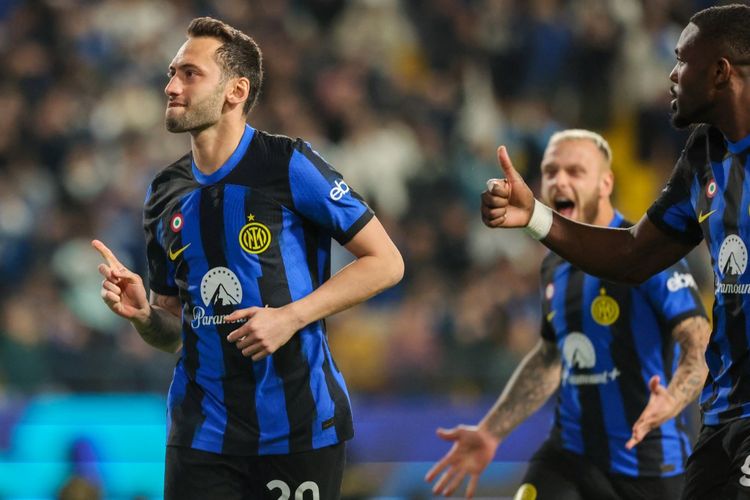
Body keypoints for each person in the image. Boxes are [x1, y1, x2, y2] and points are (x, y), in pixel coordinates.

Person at [93, 17, 404, 500]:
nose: (171, 86)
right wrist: (144, 316)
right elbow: (172, 330)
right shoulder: (163, 192)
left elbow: (386, 262)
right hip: (201, 433)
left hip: (297, 427)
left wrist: (290, 317)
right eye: (172, 72)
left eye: (190, 74)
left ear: (236, 90)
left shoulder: (289, 164)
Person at [480, 4, 750, 499]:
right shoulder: (704, 154)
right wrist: (537, 217)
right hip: (723, 417)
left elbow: (692, 336)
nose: (670, 75)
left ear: (719, 72)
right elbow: (632, 255)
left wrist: (674, 394)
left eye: (681, 60)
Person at [426, 130, 711, 499]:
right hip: (570, 457)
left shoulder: (647, 255)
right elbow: (550, 357)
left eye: (575, 171)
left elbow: (698, 344)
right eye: (550, 171)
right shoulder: (553, 267)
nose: (560, 180)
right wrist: (491, 430)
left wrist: (673, 398)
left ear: (605, 183)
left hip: (651, 465)